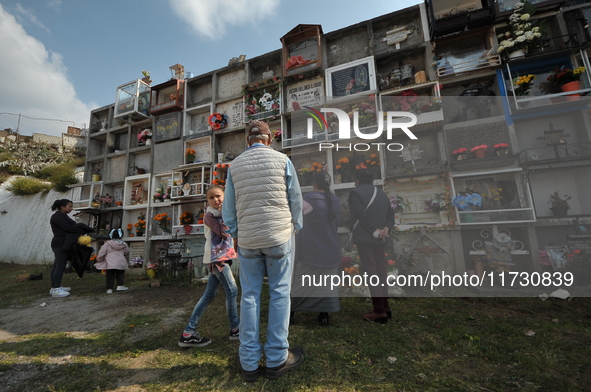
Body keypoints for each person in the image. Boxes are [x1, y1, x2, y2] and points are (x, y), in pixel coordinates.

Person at [223, 120, 304, 382]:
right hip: (279, 236)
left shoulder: (234, 166)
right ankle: (277, 358)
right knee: (280, 293)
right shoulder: (283, 160)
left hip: (248, 239)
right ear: (269, 139)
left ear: (248, 140)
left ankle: (248, 362)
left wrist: (237, 233)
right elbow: (295, 199)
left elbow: (228, 210)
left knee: (249, 296)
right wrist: (295, 227)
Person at [178, 185, 240, 348]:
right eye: (211, 197)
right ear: (207, 201)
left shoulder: (222, 213)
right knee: (232, 290)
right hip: (216, 258)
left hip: (220, 257)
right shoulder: (210, 216)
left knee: (210, 294)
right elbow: (225, 232)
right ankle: (235, 329)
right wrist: (228, 212)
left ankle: (188, 333)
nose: (215, 200)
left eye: (218, 196)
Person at [291, 170, 341, 327]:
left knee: (299, 284)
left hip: (308, 250)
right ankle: (324, 316)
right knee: (327, 286)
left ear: (314, 184)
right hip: (330, 250)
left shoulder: (306, 199)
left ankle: (291, 313)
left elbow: (294, 219)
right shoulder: (336, 201)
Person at [348, 168, 395, 324]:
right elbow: (390, 214)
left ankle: (379, 310)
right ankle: (385, 306)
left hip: (366, 237)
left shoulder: (356, 193)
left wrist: (372, 229)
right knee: (381, 270)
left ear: (358, 180)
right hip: (381, 237)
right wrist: (386, 228)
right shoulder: (381, 193)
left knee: (372, 272)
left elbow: (360, 214)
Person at [49, 199, 87, 298]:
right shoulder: (57, 217)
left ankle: (54, 287)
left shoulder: (63, 216)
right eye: (69, 206)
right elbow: (68, 228)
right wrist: (80, 231)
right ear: (63, 207)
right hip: (60, 244)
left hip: (63, 243)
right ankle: (56, 289)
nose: (71, 208)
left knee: (57, 265)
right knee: (60, 266)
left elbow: (72, 226)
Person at [94, 228, 130, 294]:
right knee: (120, 274)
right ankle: (120, 285)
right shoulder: (124, 244)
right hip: (121, 262)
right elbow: (127, 252)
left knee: (110, 276)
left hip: (110, 263)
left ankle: (109, 289)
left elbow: (101, 253)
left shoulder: (107, 244)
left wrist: (99, 259)